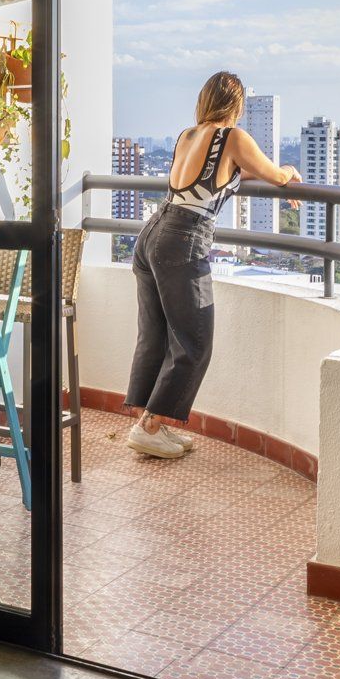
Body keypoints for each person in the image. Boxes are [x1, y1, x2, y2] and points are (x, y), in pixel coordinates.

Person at [126, 71, 300, 459]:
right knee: (194, 341)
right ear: (235, 106)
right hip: (183, 239)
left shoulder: (187, 136)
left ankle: (149, 421)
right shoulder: (232, 138)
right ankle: (150, 426)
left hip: (152, 232)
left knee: (155, 333)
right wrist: (288, 172)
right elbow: (275, 175)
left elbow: (227, 172)